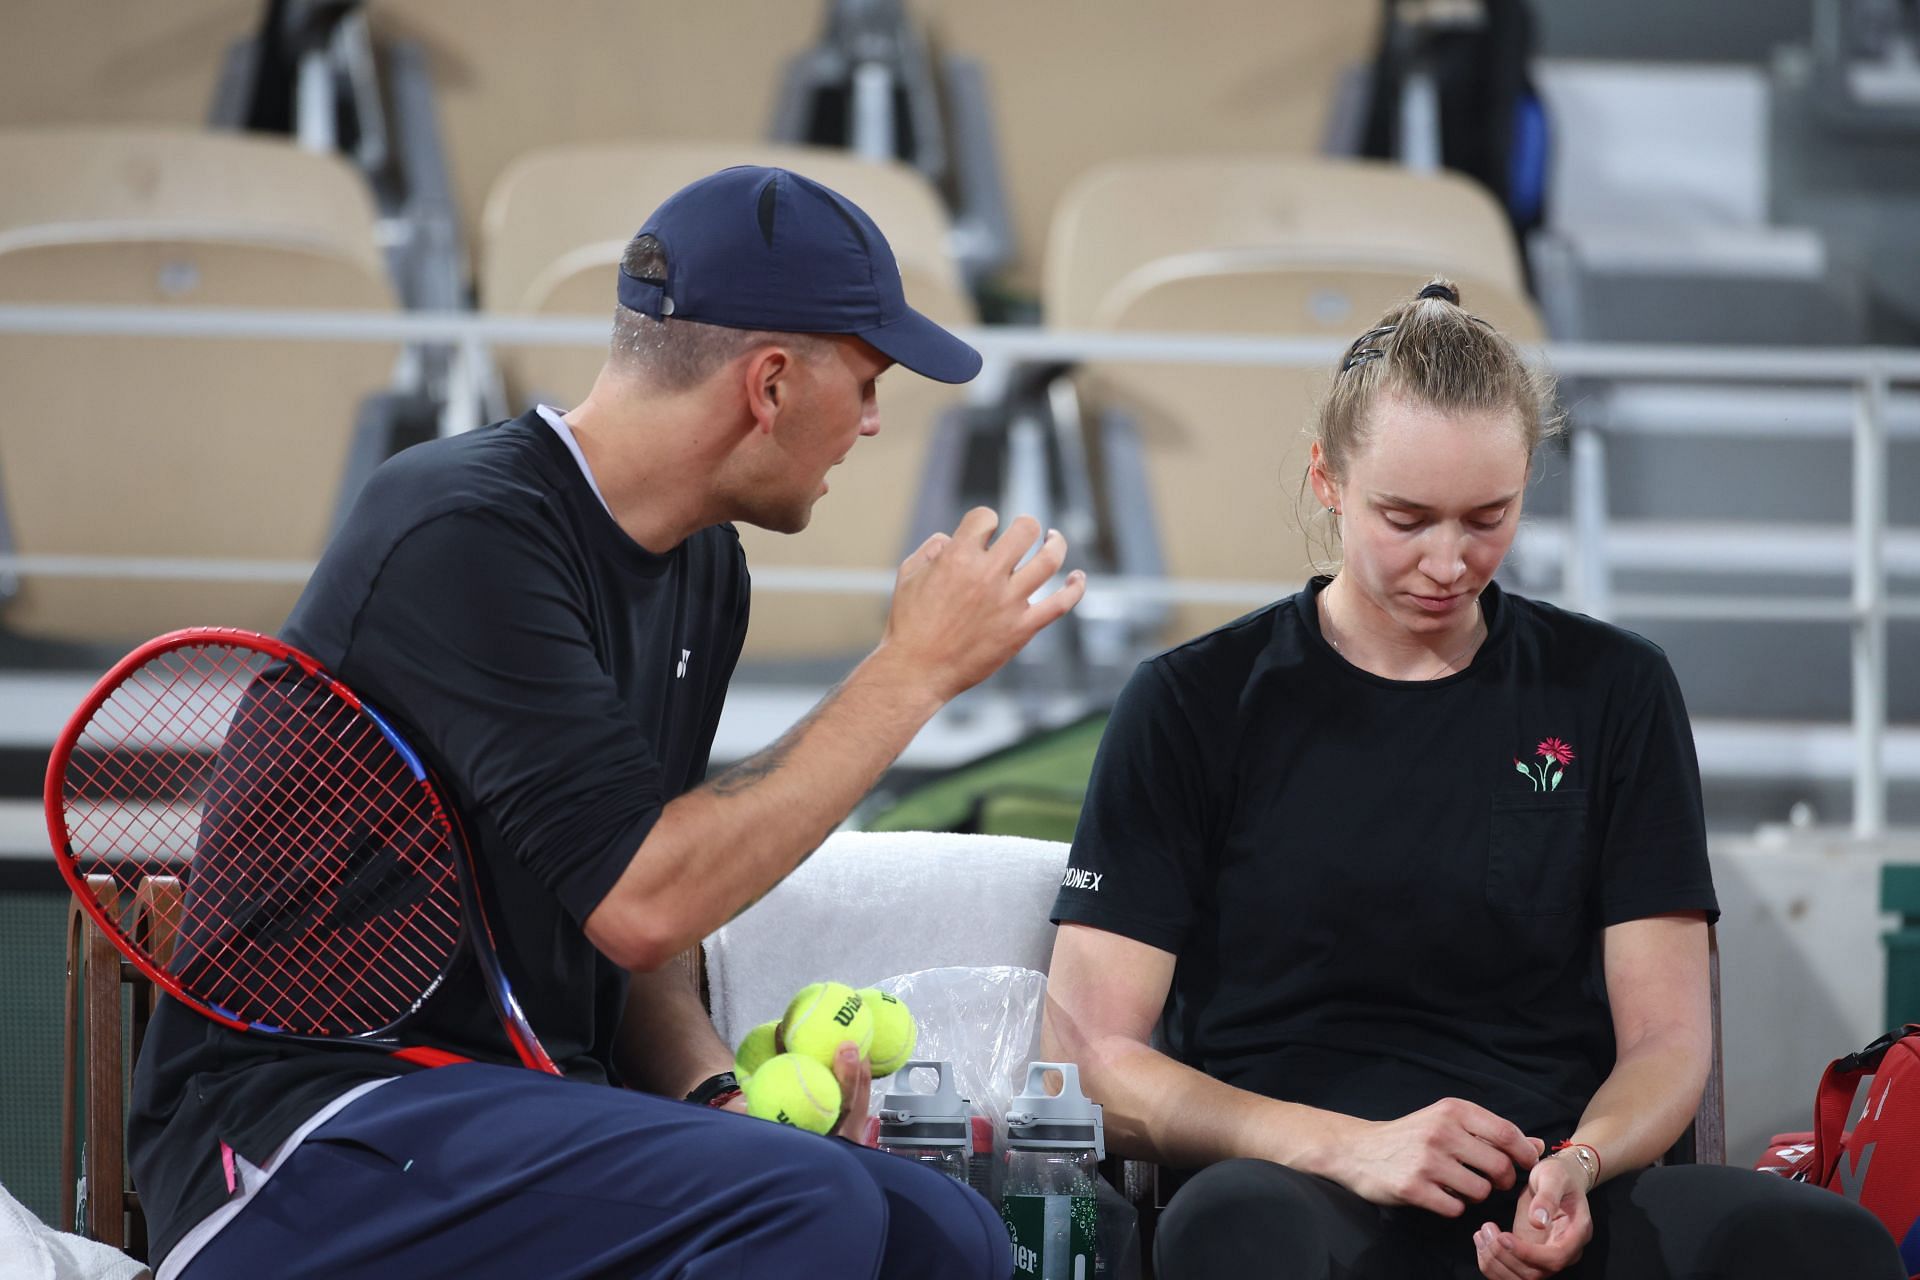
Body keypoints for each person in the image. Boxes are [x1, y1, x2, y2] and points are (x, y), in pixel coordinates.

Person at [130, 165, 1084, 1279]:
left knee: (949, 1229)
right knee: (803, 1204)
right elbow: (646, 896)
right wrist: (912, 672)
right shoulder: (461, 529)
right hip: (305, 1124)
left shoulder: (704, 568)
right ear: (769, 384)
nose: (874, 423)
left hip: (515, 1114)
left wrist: (714, 1091)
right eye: (867, 381)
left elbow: (643, 943)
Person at [1041, 280, 1903, 1280]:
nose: (1448, 562)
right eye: (1404, 517)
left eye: (1488, 516)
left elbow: (1666, 1038)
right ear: (1326, 477)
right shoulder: (1193, 700)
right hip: (1298, 1185)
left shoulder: (1614, 687)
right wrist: (1348, 1145)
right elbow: (1092, 1058)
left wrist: (1579, 1165)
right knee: (1235, 1230)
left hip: (1558, 1187)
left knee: (1824, 1245)